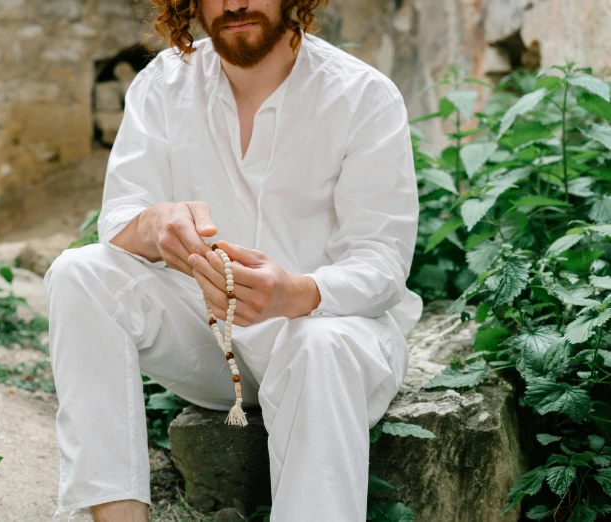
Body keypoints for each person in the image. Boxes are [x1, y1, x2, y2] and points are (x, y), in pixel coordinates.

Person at [43, 0, 424, 520]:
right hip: (214, 342)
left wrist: (295, 292)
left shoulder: (363, 96)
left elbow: (383, 263)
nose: (235, 3)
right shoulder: (165, 82)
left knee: (316, 343)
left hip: (334, 342)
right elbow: (121, 217)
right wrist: (156, 224)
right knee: (77, 274)